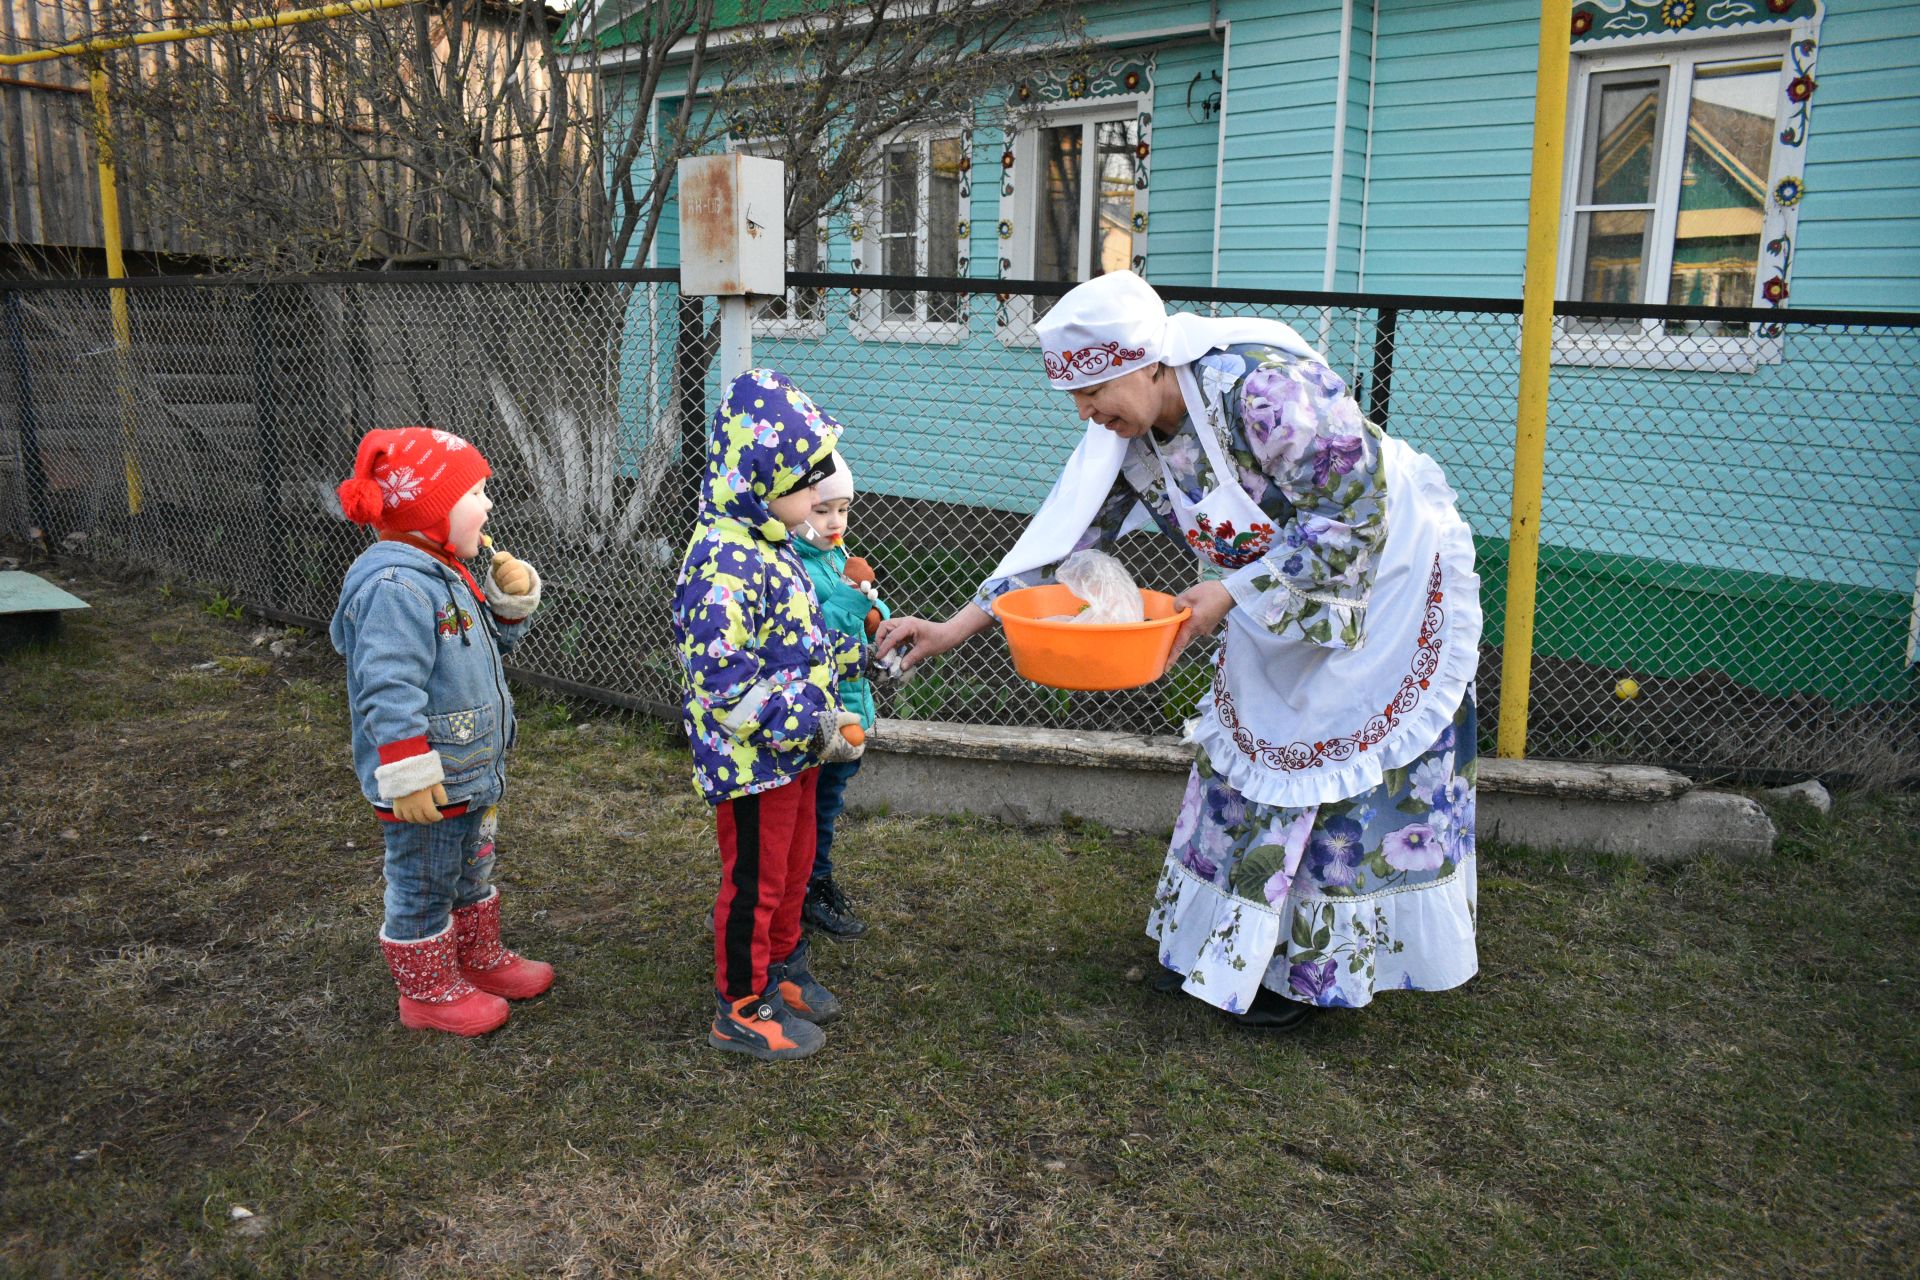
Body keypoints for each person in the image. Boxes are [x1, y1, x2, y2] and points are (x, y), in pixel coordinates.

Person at [875, 271, 1482, 1031]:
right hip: (1274, 588)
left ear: (1148, 361)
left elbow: (1354, 511)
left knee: (1340, 782)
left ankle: (1306, 976)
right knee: (1247, 757)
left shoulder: (1262, 389)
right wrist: (955, 626)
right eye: (1075, 397)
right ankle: (1218, 948)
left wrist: (1232, 592)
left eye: (1093, 390)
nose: (1085, 412)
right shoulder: (1129, 439)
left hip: (1382, 581)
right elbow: (1068, 537)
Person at [331, 426, 552, 1038]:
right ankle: (426, 991)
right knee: (423, 881)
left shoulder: (447, 571)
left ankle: (475, 958)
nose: (487, 506)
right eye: (475, 493)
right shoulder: (395, 587)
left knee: (471, 868)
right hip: (426, 782)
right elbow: (387, 687)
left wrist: (511, 604)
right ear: (431, 510)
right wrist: (406, 770)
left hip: (472, 771)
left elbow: (481, 652)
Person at [675, 369, 868, 1062]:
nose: (820, 493)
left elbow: (798, 640)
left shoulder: (775, 545)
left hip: (797, 754)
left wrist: (851, 661)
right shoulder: (722, 561)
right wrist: (805, 724)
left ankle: (783, 966)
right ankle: (740, 1004)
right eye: (805, 477)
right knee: (755, 881)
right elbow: (722, 681)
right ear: (762, 474)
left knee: (794, 868)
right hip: (753, 763)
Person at [790, 450, 889, 940]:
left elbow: (862, 617)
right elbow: (820, 631)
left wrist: (875, 606)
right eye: (822, 509)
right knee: (816, 807)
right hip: (823, 714)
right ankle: (811, 888)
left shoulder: (833, 556)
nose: (835, 521)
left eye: (843, 509)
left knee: (828, 803)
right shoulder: (794, 568)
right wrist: (855, 595)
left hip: (852, 704)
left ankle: (812, 882)